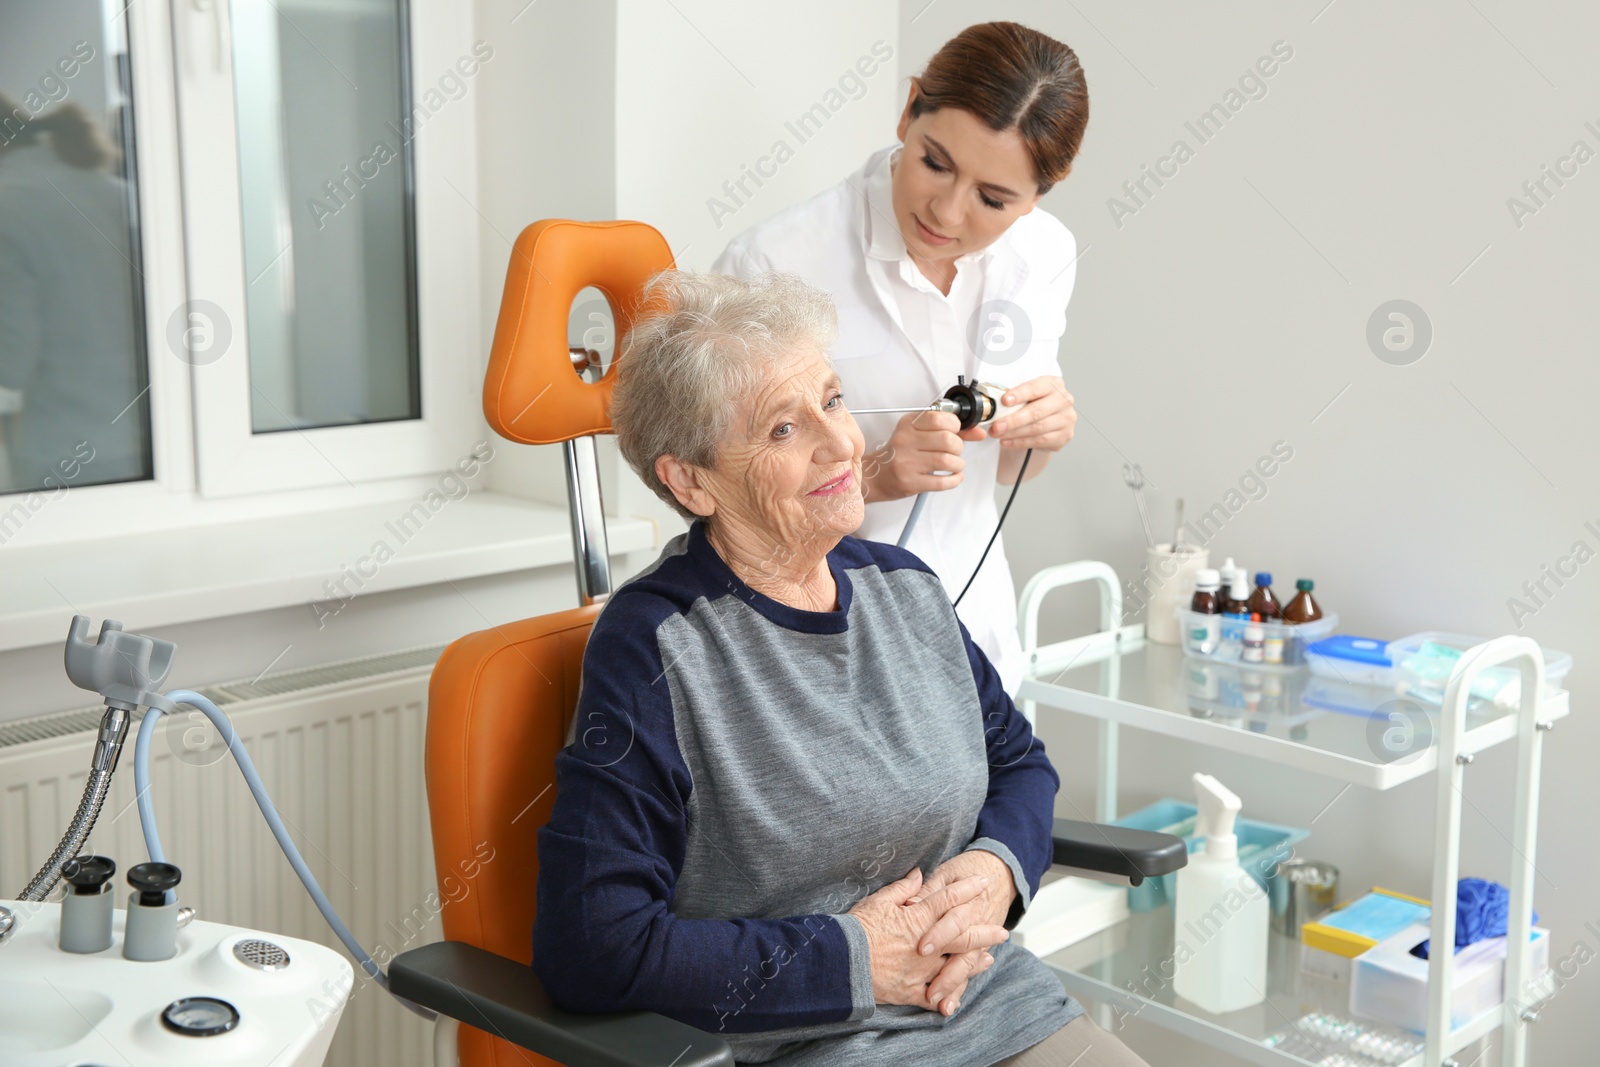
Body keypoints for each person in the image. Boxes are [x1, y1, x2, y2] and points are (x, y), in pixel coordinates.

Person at [533, 271, 1148, 1066]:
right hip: (812, 1046)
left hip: (999, 1008)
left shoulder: (906, 587)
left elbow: (1019, 761)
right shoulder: (656, 645)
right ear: (690, 479)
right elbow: (595, 946)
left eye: (831, 399)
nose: (841, 444)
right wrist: (852, 958)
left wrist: (997, 868)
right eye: (782, 430)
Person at [712, 21, 1087, 697]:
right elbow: (721, 495)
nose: (945, 210)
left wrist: (1042, 433)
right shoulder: (774, 265)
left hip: (976, 642)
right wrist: (875, 473)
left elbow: (1003, 469)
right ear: (908, 108)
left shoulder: (1045, 254)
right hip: (818, 654)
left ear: (1037, 198)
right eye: (934, 162)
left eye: (994, 199)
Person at [0, 93, 145, 491]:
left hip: (64, 456)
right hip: (151, 445)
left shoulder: (7, 208)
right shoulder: (120, 195)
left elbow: (10, 361)